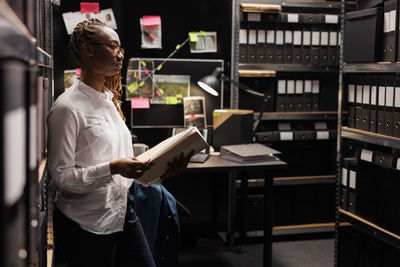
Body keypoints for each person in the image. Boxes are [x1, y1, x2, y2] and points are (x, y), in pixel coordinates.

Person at [47, 18, 191, 267]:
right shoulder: (66, 107)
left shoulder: (109, 101)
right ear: (88, 50)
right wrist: (112, 168)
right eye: (112, 47)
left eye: (120, 48)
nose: (120, 55)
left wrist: (162, 173)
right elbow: (61, 178)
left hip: (122, 212)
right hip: (86, 224)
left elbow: (128, 174)